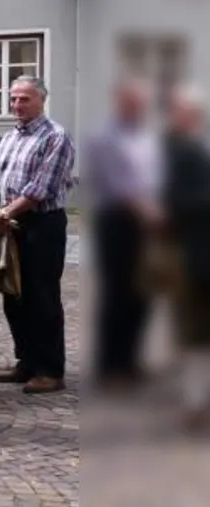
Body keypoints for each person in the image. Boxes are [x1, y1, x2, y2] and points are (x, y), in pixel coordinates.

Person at [0, 76, 76, 395]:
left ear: (42, 99)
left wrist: (5, 213)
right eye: (13, 99)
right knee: (14, 296)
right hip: (10, 224)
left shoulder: (56, 136)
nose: (16, 105)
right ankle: (26, 360)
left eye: (24, 99)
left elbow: (41, 189)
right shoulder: (10, 137)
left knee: (42, 297)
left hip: (42, 224)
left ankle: (50, 369)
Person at [85, 79, 159, 387]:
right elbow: (115, 183)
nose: (136, 107)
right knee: (117, 293)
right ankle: (111, 364)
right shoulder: (103, 137)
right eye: (131, 102)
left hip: (149, 223)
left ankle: (131, 359)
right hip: (117, 221)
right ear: (118, 102)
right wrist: (148, 210)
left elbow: (157, 175)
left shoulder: (147, 136)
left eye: (140, 103)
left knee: (142, 292)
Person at [164, 88, 210, 429]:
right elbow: (177, 202)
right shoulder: (180, 152)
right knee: (196, 332)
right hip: (197, 254)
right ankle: (194, 401)